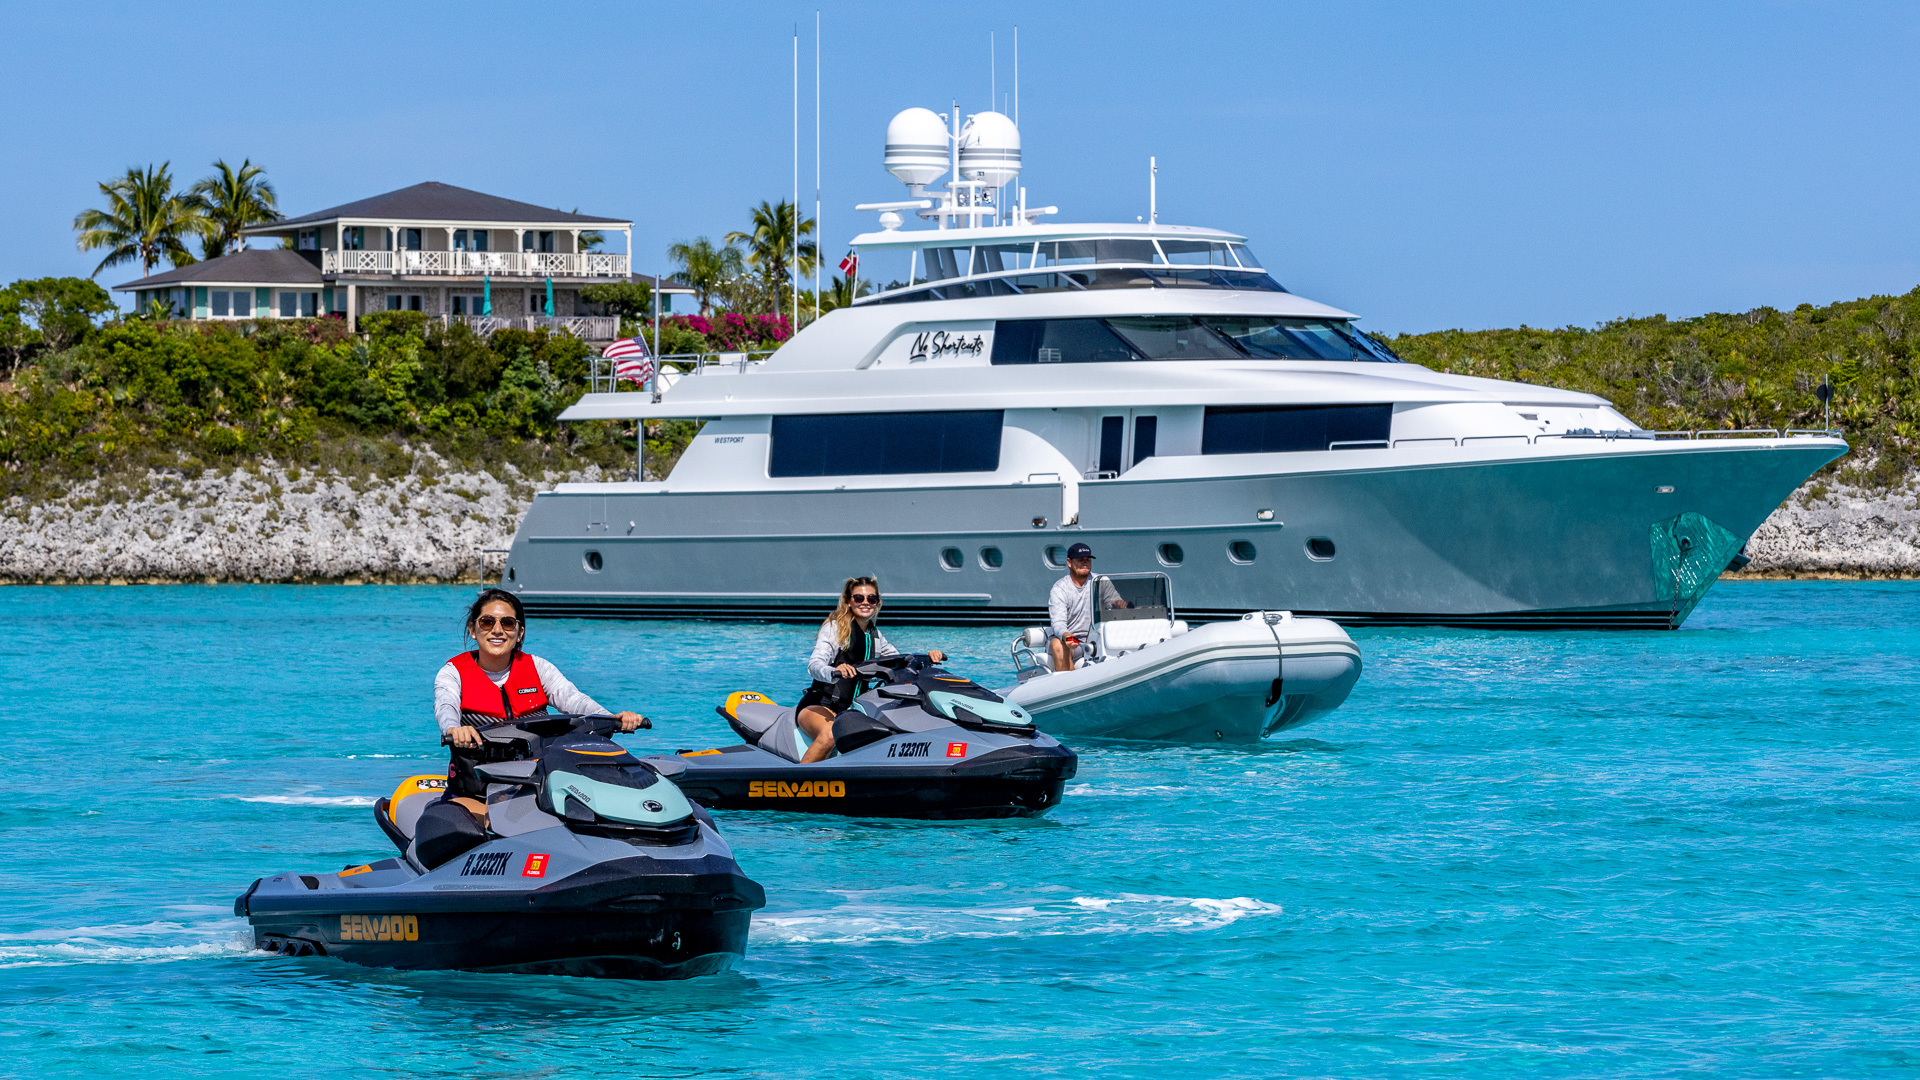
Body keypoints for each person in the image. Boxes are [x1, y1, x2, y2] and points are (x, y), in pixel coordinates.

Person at [430, 587, 648, 830]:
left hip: (534, 787)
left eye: (508, 623)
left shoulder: (538, 668)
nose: (497, 630)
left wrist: (610, 718)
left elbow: (573, 699)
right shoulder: (453, 673)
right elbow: (445, 705)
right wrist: (454, 729)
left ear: (519, 632)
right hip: (476, 791)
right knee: (494, 822)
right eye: (487, 622)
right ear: (473, 629)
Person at [795, 577, 945, 764]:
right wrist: (833, 671)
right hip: (820, 705)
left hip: (852, 710)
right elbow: (814, 665)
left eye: (871, 599)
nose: (865, 602)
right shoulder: (834, 628)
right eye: (859, 598)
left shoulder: (875, 636)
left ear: (877, 603)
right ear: (848, 601)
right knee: (830, 735)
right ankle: (797, 780)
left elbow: (900, 662)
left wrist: (927, 658)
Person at [1047, 542, 1125, 671]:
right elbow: (1058, 623)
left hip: (1097, 639)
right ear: (1069, 562)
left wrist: (1119, 604)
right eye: (1080, 560)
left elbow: (1115, 601)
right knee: (1058, 645)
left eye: (1088, 560)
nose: (1085, 563)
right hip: (1072, 641)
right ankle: (1070, 682)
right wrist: (1067, 636)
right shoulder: (1059, 589)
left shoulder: (1101, 581)